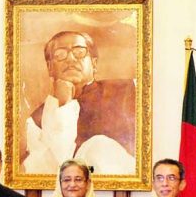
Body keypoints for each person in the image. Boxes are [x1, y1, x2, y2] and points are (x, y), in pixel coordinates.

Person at [23, 30, 136, 175]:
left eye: (79, 52)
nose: (70, 59)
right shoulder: (36, 121)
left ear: (94, 64)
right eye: (60, 55)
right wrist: (63, 104)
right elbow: (51, 169)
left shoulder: (130, 89)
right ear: (50, 68)